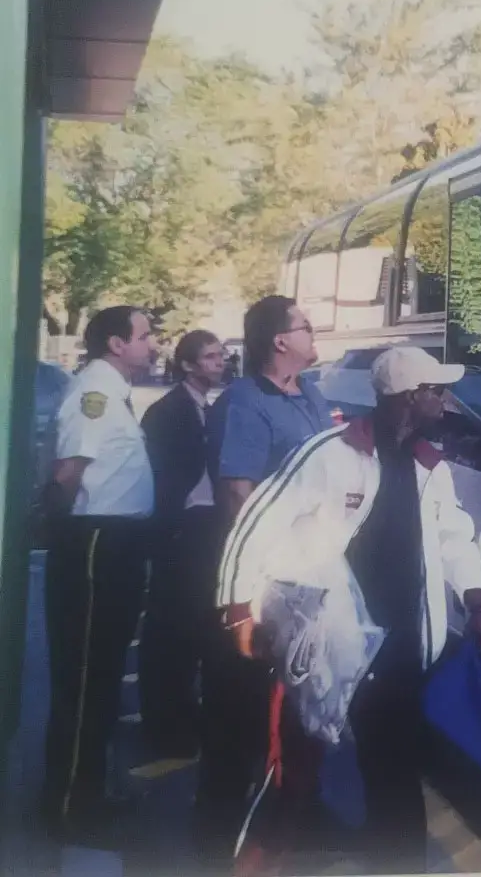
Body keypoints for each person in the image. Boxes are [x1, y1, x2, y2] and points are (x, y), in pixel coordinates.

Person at [215, 344, 481, 874]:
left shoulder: (429, 464)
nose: (446, 399)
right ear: (409, 397)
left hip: (400, 649)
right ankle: (253, 862)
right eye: (437, 390)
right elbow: (259, 521)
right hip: (328, 647)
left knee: (394, 769)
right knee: (293, 771)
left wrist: (477, 599)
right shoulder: (328, 452)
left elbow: (454, 535)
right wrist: (239, 606)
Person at [193, 295, 332, 863]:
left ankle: (291, 821)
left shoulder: (310, 392)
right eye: (304, 325)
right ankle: (217, 836)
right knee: (242, 716)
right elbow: (237, 493)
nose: (312, 331)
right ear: (280, 341)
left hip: (309, 578)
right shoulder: (245, 402)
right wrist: (267, 574)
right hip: (264, 581)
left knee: (301, 710)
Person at [39, 306, 157, 846]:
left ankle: (86, 793)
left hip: (114, 544)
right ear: (116, 343)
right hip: (93, 544)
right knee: (85, 680)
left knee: (103, 677)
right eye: (145, 336)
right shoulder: (95, 392)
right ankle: (67, 806)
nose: (153, 344)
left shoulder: (112, 391)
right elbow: (68, 473)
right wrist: (58, 535)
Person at [137, 330, 225, 758]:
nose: (220, 362)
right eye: (210, 357)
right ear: (188, 365)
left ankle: (185, 715)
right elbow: (162, 477)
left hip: (206, 530)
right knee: (171, 628)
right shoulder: (167, 411)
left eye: (221, 355)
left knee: (196, 626)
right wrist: (172, 528)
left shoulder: (210, 409)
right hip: (181, 531)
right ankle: (164, 724)